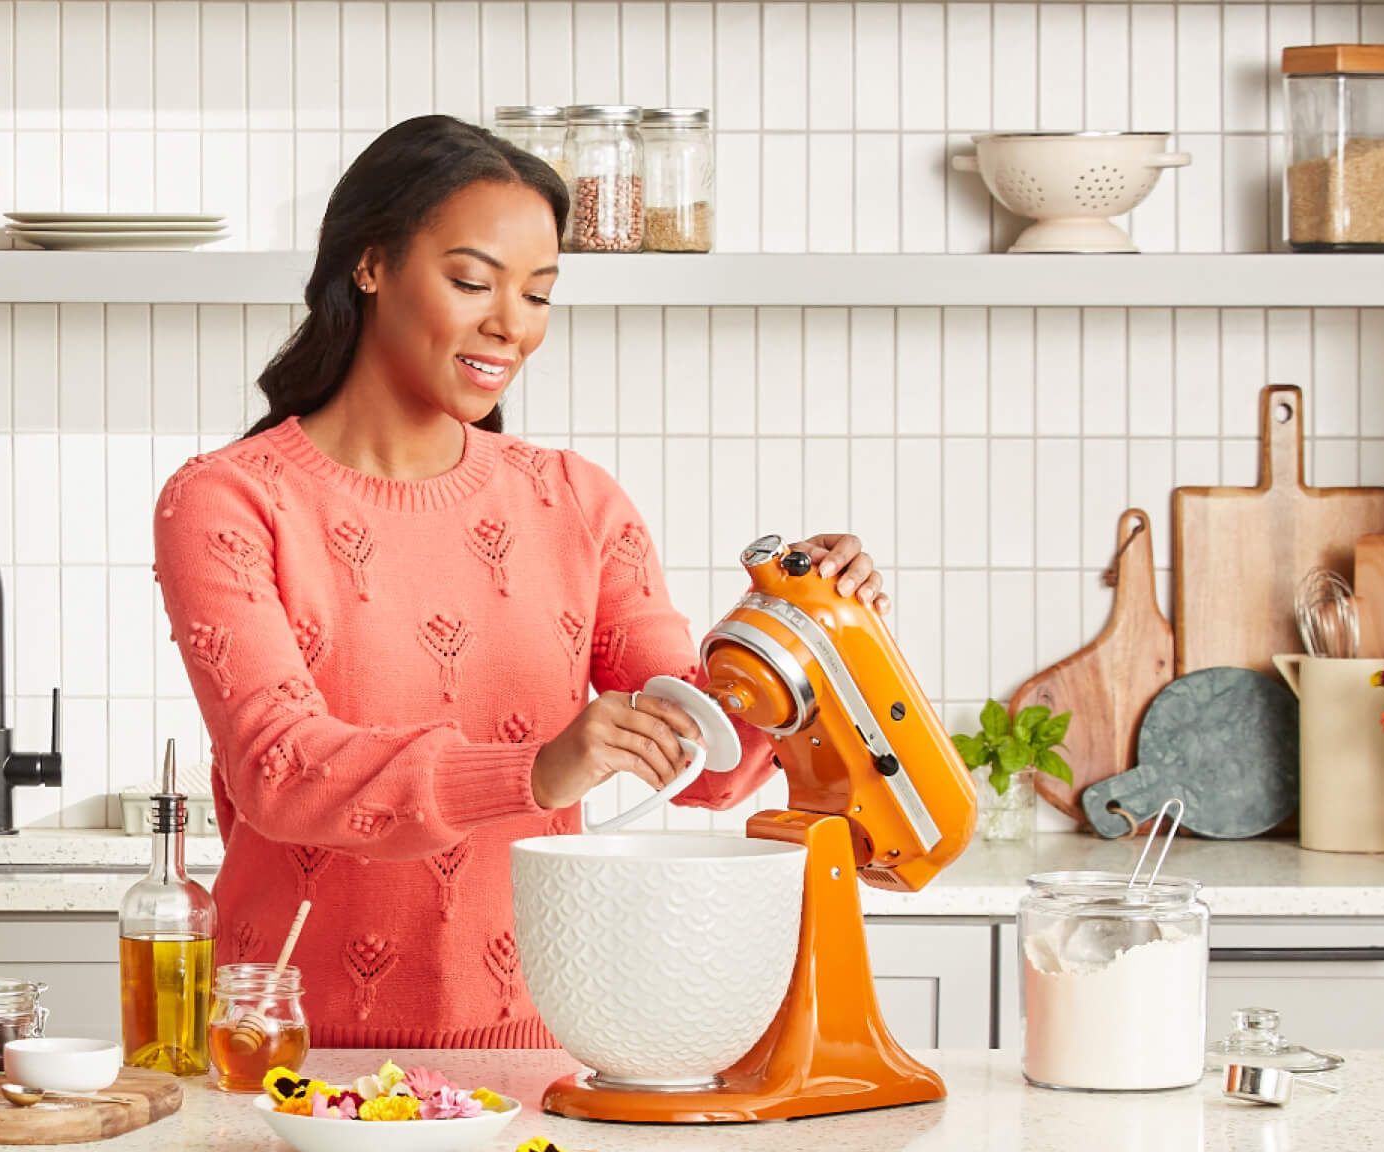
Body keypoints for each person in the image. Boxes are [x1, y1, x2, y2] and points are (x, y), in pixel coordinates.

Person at [152, 115, 889, 1048]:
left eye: (539, 294)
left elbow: (707, 763)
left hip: (539, 1058)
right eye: (472, 282)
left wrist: (802, 630)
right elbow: (280, 769)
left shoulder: (577, 502)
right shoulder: (227, 501)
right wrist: (537, 768)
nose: (511, 325)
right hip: (294, 1059)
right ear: (368, 265)